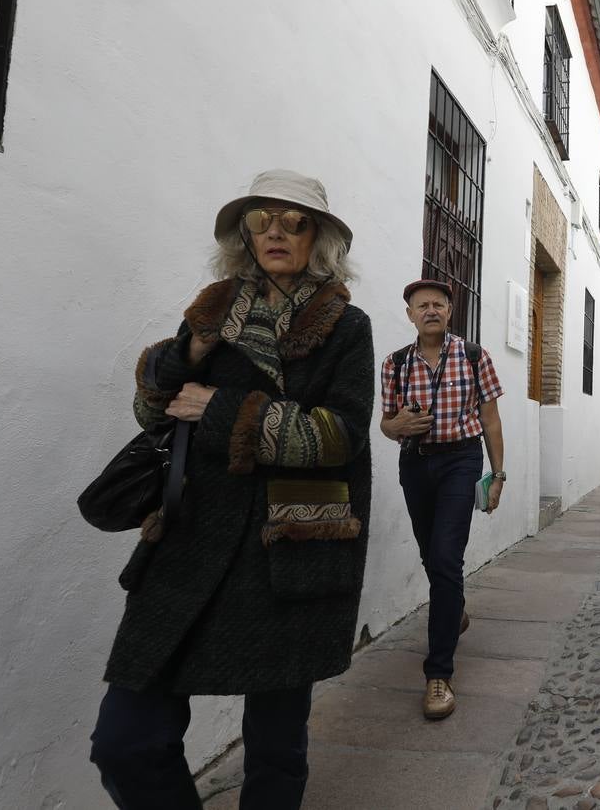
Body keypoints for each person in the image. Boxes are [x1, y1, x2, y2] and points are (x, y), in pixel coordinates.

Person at [89, 169, 374, 809]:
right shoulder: (213, 309)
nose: (275, 231)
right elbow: (155, 413)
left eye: (293, 220)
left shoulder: (346, 327)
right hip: (192, 536)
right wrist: (180, 358)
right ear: (244, 234)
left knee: (275, 750)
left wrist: (221, 410)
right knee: (124, 740)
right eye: (260, 219)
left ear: (318, 238)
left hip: (293, 542)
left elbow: (340, 437)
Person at [379, 280, 505, 720]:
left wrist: (497, 475)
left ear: (450, 312)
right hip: (414, 464)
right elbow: (385, 424)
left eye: (438, 304)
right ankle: (457, 609)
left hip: (461, 461)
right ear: (410, 314)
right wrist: (398, 427)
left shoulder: (474, 356)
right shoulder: (394, 364)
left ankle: (438, 673)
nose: (430, 311)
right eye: (421, 306)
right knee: (431, 556)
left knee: (447, 557)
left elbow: (490, 418)